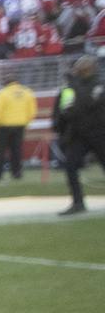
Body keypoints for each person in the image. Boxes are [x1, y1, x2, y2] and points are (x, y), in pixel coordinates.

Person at [53, 54, 104, 215]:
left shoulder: (98, 86)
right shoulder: (70, 87)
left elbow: (83, 103)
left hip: (99, 133)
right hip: (79, 134)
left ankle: (78, 202)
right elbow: (63, 111)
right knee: (70, 166)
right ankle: (78, 201)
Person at [0, 79, 36, 181]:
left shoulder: (2, 93)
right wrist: (26, 122)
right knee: (17, 150)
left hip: (4, 126)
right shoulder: (27, 92)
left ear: (6, 83)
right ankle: (17, 173)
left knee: (0, 151)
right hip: (20, 125)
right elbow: (32, 110)